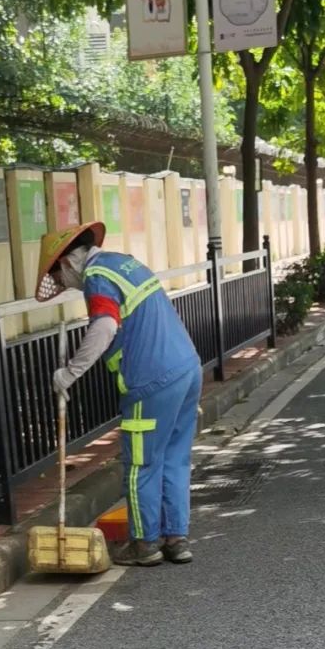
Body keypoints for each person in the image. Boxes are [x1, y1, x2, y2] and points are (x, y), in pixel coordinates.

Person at [35, 219, 202, 567]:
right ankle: (177, 539)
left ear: (67, 263)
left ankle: (145, 544)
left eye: (60, 277)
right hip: (186, 367)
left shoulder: (97, 276)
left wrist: (69, 373)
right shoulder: (124, 263)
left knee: (141, 465)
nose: (65, 284)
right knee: (174, 458)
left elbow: (105, 326)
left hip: (150, 380)